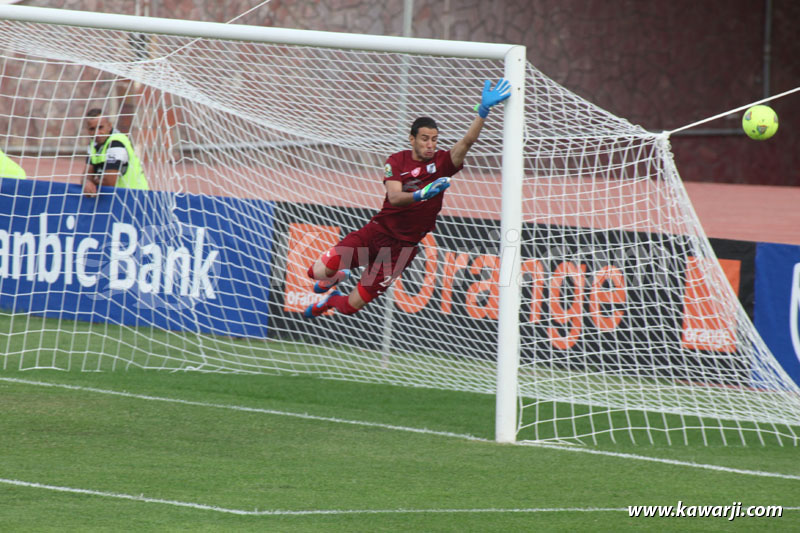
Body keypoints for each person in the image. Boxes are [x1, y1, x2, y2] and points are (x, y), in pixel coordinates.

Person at [303, 78, 511, 318]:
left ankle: (329, 302)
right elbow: (394, 197)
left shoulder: (443, 163)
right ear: (412, 139)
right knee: (316, 272)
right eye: (425, 139)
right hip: (376, 234)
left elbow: (467, 142)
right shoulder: (397, 161)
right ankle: (337, 276)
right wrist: (421, 194)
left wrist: (483, 111)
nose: (430, 144)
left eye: (434, 139)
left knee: (351, 307)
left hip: (400, 250)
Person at [83, 108, 149, 196]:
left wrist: (93, 183)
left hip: (135, 196)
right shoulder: (93, 144)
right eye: (92, 129)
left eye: (100, 127)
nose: (97, 133)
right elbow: (86, 175)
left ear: (109, 126)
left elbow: (110, 182)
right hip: (117, 198)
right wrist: (87, 182)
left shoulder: (116, 142)